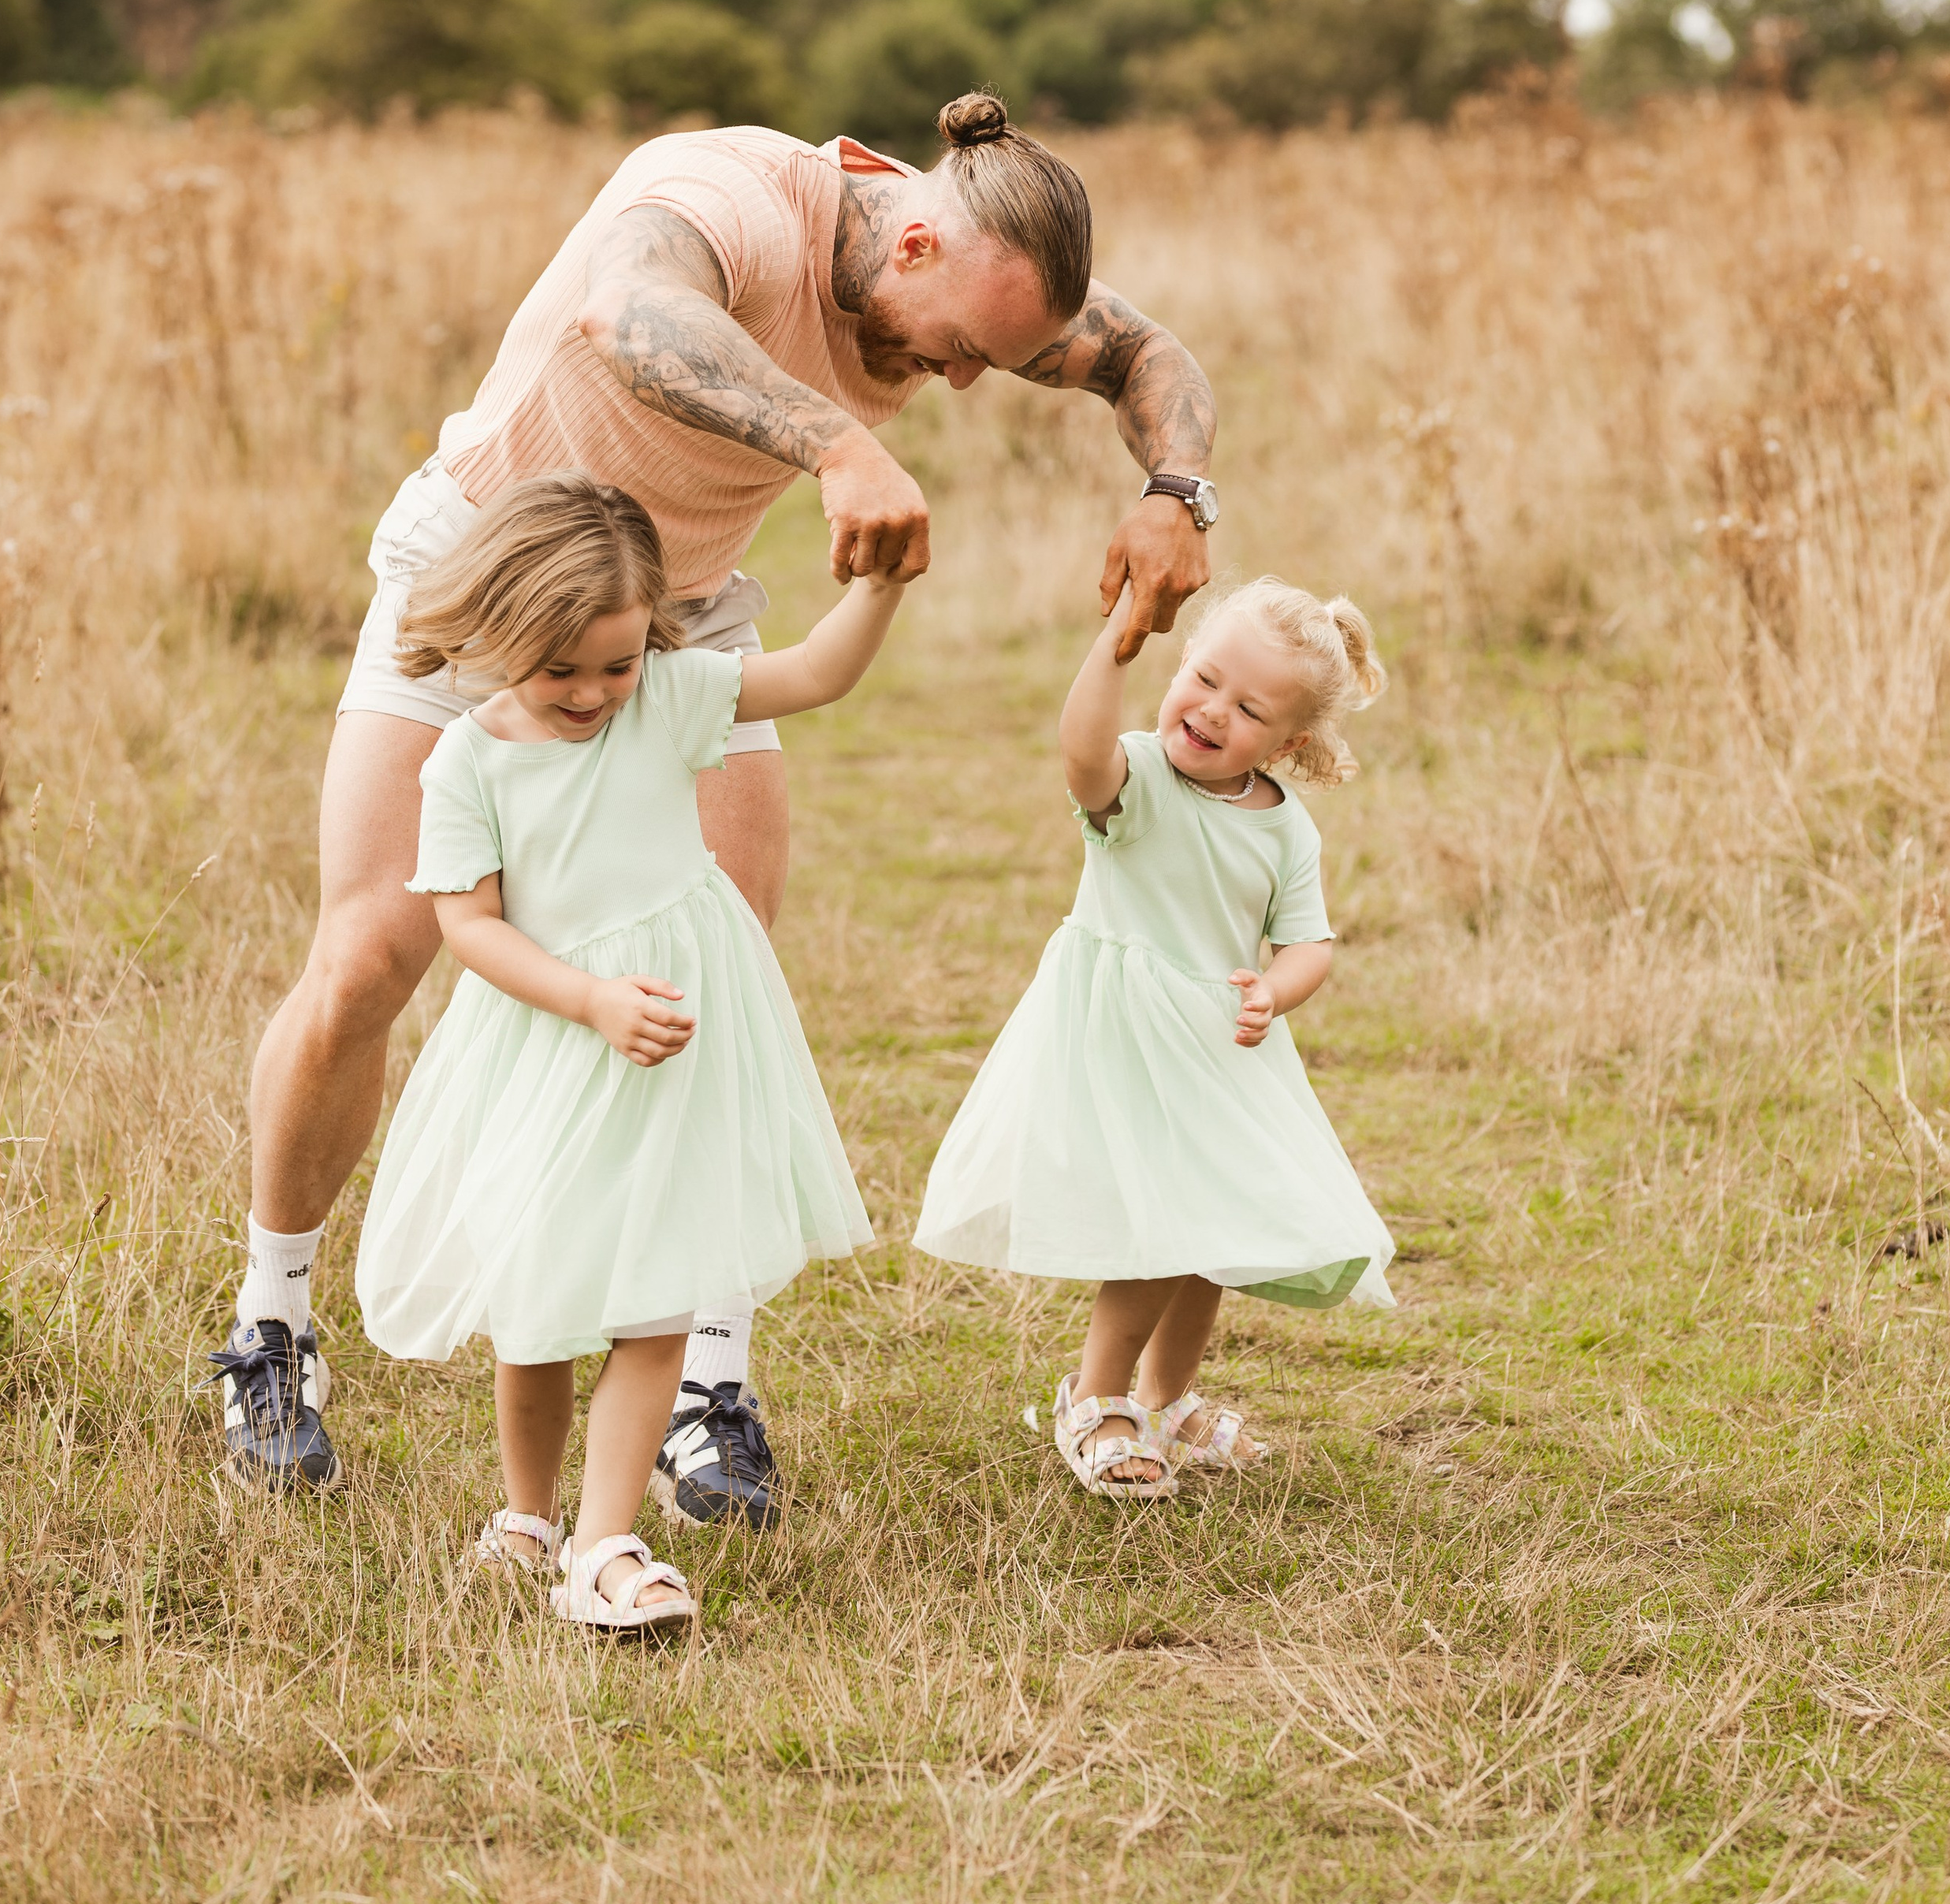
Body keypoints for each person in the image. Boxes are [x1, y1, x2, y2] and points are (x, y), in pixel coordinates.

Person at [214, 91, 1220, 1511]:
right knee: (374, 949)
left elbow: (1148, 354)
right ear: (913, 240)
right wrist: (837, 444)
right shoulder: (733, 196)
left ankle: (708, 1382)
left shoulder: (974, 275)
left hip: (673, 619)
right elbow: (631, 311)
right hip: (484, 575)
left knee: (717, 974)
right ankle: (271, 1325)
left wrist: (1177, 489)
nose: (959, 381)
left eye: (990, 364)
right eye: (955, 347)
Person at [341, 472, 900, 1631]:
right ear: (499, 633)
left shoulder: (669, 700)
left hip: (673, 1042)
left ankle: (604, 1544)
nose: (594, 693)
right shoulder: (468, 763)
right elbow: (470, 927)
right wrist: (590, 999)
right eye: (561, 670)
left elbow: (814, 673)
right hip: (553, 1043)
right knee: (539, 1303)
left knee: (658, 1299)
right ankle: (528, 1517)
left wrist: (880, 590)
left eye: (619, 662)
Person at [913, 576, 1396, 1497]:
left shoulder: (1284, 829)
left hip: (1215, 1047)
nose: (1212, 711)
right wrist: (1115, 644)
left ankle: (1166, 1400)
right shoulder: (1139, 780)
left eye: (1248, 709)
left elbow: (1309, 942)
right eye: (1204, 680)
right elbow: (1080, 751)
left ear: (1288, 745)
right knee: (1161, 1232)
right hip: (1125, 1038)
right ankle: (1095, 1401)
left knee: (1215, 1226)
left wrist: (1275, 990)